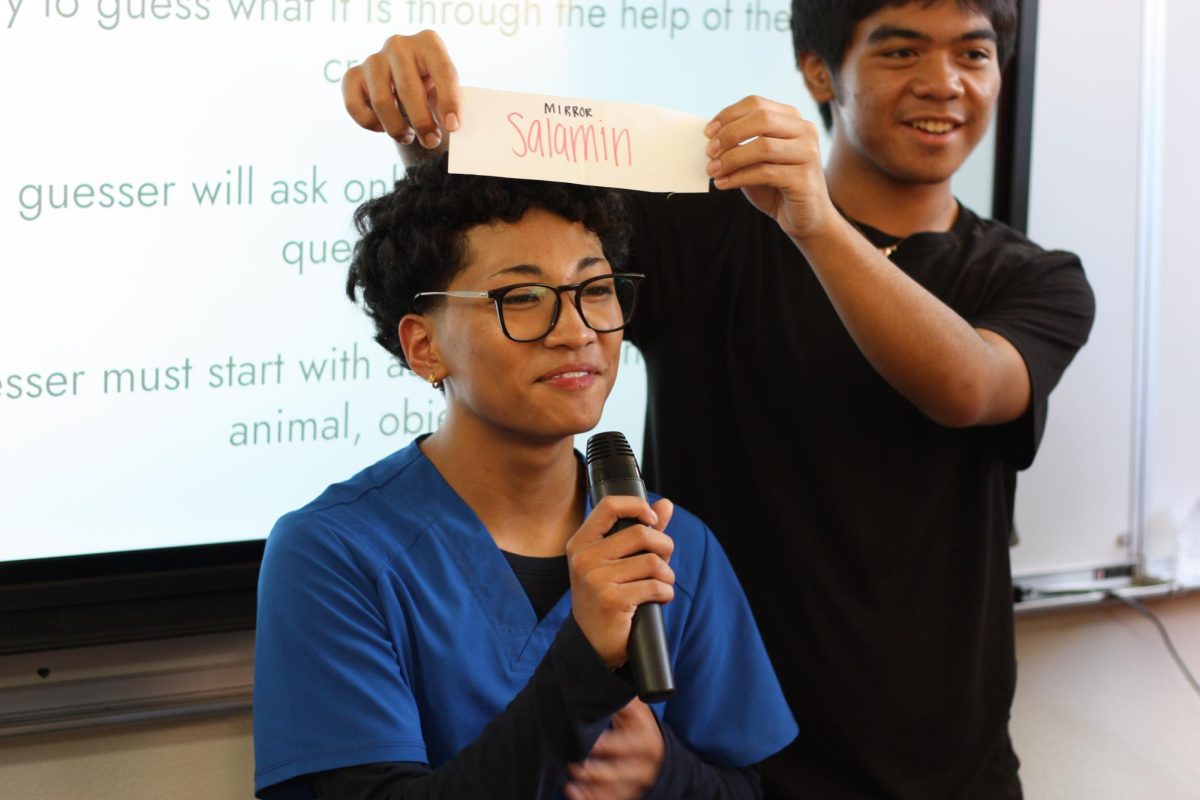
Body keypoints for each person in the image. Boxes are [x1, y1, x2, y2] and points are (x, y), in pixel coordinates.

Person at [340, 1, 1097, 796]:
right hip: (719, 753)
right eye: (901, 52)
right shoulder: (707, 232)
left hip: (948, 771)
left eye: (974, 56)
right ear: (818, 71)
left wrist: (815, 224)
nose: (942, 83)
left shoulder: (1033, 279)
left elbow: (970, 386)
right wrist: (424, 128)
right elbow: (518, 244)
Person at [252, 157, 798, 800]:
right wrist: (582, 665)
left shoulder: (676, 543)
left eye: (596, 290)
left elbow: (744, 787)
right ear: (423, 346)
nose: (576, 332)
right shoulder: (334, 554)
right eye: (523, 298)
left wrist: (666, 772)